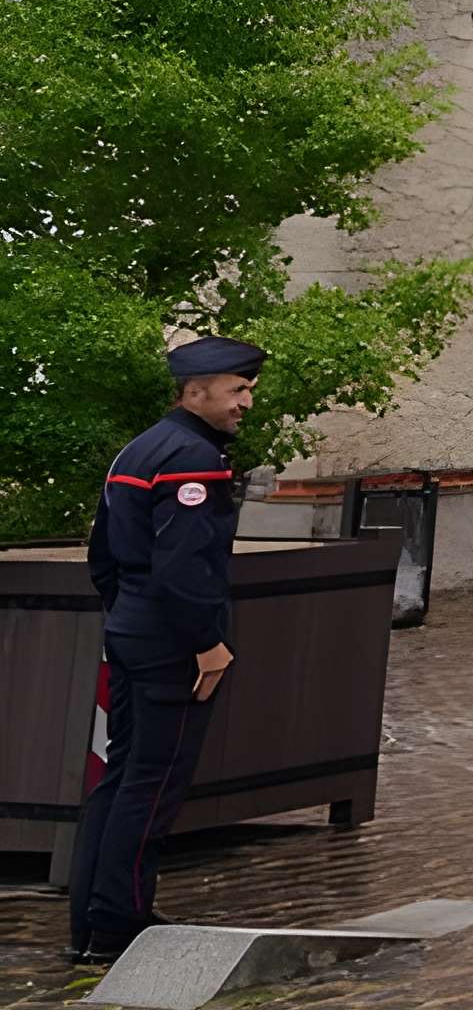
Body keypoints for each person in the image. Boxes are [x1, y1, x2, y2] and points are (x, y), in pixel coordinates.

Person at [70, 336, 263, 964]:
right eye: (237, 390)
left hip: (131, 627)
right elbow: (184, 567)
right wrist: (207, 643)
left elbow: (102, 555)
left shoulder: (140, 449)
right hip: (172, 640)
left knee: (121, 775)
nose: (246, 402)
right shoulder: (193, 458)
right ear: (195, 391)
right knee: (152, 785)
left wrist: (126, 612)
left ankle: (92, 919)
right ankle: (120, 924)